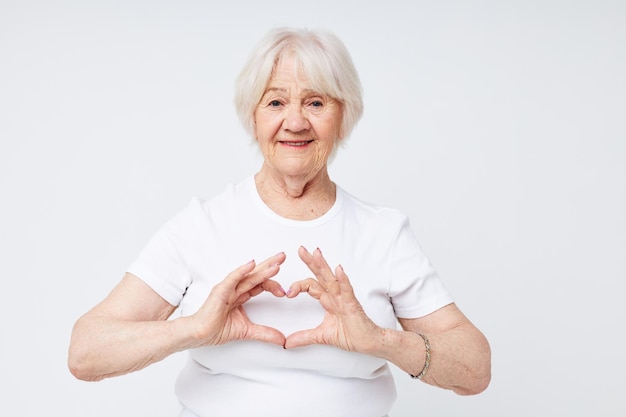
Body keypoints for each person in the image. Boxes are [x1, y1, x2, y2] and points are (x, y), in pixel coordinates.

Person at [68, 27, 491, 417]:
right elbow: (86, 352)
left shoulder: (384, 234)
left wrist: (380, 340)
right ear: (253, 116)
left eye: (315, 102)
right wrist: (193, 329)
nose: (294, 122)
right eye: (275, 102)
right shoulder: (202, 224)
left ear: (343, 116)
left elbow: (475, 368)